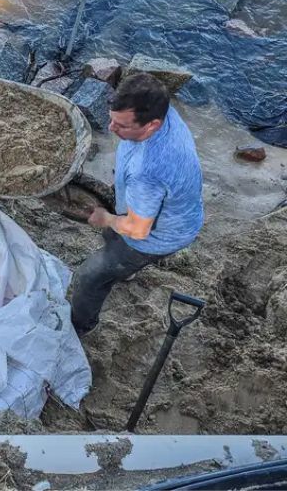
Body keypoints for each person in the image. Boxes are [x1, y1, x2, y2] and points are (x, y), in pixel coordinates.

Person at [70, 73, 204, 336]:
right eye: (111, 119)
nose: (110, 128)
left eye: (121, 125)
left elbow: (139, 230)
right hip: (169, 209)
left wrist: (106, 218)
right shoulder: (162, 110)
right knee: (113, 238)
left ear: (152, 125)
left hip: (159, 235)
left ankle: (81, 326)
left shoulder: (149, 170)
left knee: (89, 277)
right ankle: (124, 269)